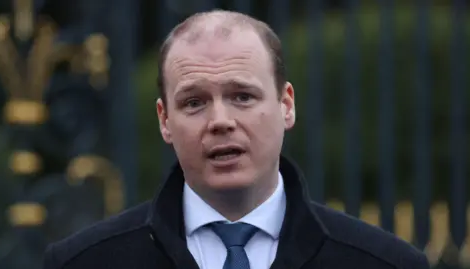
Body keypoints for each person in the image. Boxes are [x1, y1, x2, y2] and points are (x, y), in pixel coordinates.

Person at [43, 10, 430, 269]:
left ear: (286, 105)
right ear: (164, 120)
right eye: (194, 103)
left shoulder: (384, 263)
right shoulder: (85, 262)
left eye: (242, 97)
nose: (220, 121)